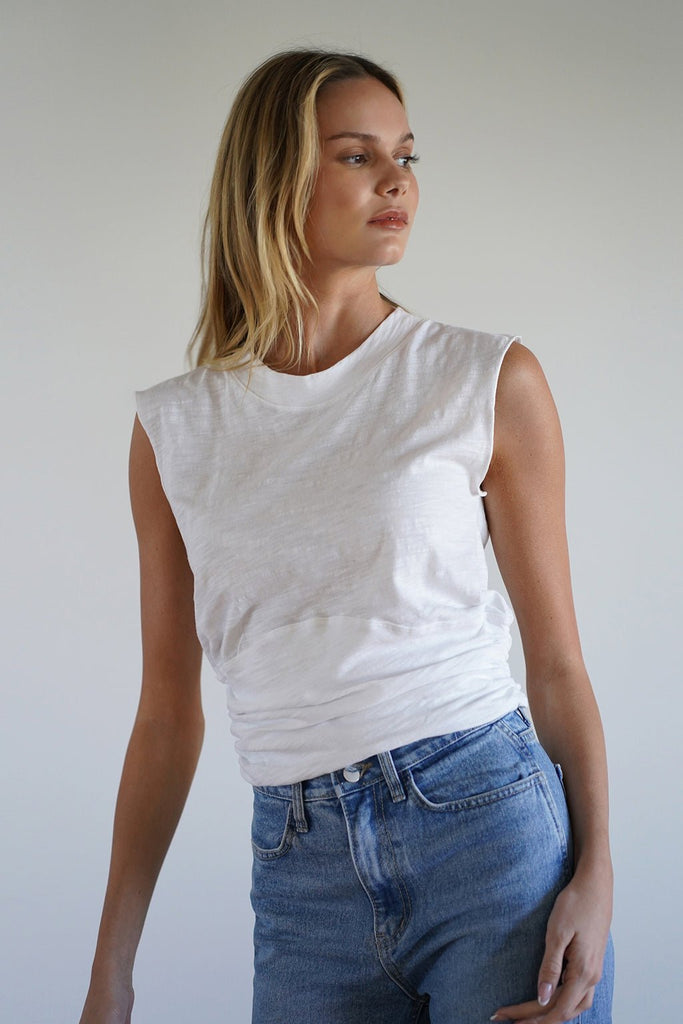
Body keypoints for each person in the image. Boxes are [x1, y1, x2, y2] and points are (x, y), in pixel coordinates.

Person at [79, 49, 614, 1024]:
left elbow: (555, 665)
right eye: (357, 155)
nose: (397, 181)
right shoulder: (174, 429)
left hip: (488, 833)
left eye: (405, 155)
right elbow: (165, 713)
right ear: (274, 177)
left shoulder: (482, 379)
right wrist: (111, 969)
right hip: (300, 878)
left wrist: (595, 869)